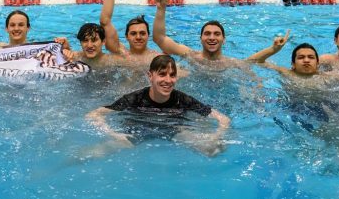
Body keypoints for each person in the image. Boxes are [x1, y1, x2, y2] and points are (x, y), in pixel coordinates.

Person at [85, 55, 231, 157]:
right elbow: (93, 114)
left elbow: (223, 119)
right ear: (150, 76)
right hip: (136, 132)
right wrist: (114, 134)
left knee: (214, 150)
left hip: (174, 131)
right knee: (95, 153)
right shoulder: (134, 98)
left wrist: (215, 136)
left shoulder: (182, 99)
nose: (168, 80)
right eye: (162, 74)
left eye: (172, 75)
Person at [151, 0, 251, 71]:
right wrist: (161, 8)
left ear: (224, 39)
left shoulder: (233, 64)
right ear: (200, 39)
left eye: (217, 34)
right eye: (207, 34)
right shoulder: (191, 56)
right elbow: (159, 38)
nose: (212, 37)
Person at [249, 32, 339, 82]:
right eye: (301, 57)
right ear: (293, 64)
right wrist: (273, 49)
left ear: (317, 64)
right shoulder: (285, 72)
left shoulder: (328, 77)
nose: (306, 60)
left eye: (311, 57)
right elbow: (252, 62)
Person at [99, 0, 158, 64]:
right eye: (133, 33)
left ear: (148, 36)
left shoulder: (156, 58)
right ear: (127, 37)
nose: (138, 37)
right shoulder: (121, 53)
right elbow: (104, 21)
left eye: (142, 33)